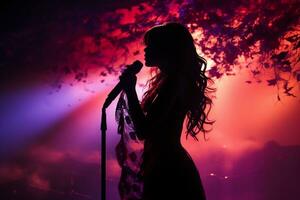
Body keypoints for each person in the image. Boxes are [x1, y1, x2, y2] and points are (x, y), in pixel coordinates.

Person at [119, 22, 214, 200]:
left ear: (166, 49)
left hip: (170, 170)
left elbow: (144, 130)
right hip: (162, 165)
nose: (145, 51)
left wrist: (131, 91)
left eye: (151, 46)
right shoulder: (167, 81)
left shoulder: (174, 82)